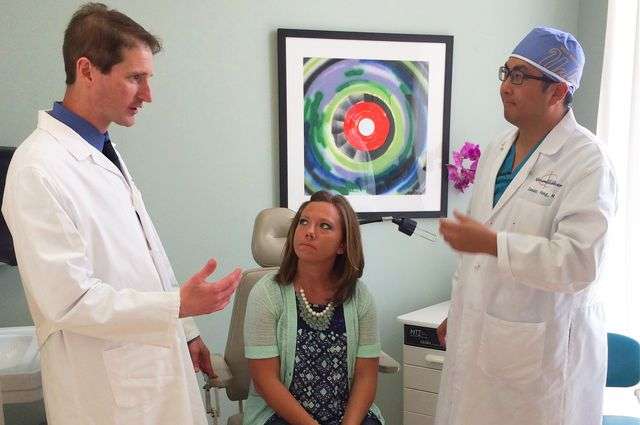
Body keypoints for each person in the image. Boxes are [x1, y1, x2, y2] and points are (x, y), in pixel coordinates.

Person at [1, 3, 241, 424]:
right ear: (88, 70)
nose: (148, 95)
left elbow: (143, 252)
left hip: (151, 364)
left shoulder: (101, 148)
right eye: (135, 78)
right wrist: (176, 307)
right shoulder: (37, 168)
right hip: (106, 392)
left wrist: (185, 330)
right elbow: (69, 301)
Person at [435, 27, 617, 425]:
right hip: (484, 333)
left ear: (557, 92)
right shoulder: (499, 148)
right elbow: (478, 253)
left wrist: (493, 244)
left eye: (520, 76)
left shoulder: (588, 161)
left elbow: (579, 263)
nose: (505, 86)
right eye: (506, 72)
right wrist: (462, 308)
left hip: (540, 354)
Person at [243, 191, 384, 425]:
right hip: (282, 416)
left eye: (325, 226)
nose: (309, 231)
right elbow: (265, 380)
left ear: (342, 245)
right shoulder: (267, 293)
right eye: (303, 222)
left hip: (346, 415)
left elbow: (366, 377)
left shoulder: (360, 297)